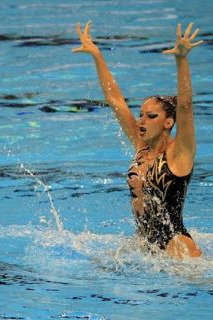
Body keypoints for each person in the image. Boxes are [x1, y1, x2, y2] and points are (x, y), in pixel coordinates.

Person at [73, 21, 203, 259]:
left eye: (151, 116)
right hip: (145, 246)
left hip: (177, 250)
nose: (141, 121)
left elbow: (184, 106)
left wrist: (181, 59)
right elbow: (116, 100)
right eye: (141, 114)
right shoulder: (142, 146)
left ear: (168, 123)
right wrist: (97, 55)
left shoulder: (180, 153)